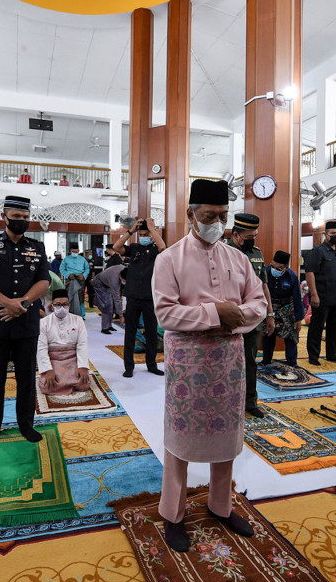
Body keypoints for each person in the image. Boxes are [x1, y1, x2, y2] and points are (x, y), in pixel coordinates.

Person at [152, 179, 267, 552]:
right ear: (190, 215)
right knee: (180, 440)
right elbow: (166, 313)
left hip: (228, 363)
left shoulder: (239, 258)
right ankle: (173, 513)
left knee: (226, 437)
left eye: (222, 215)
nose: (217, 222)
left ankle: (221, 506)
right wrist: (216, 313)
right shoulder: (168, 259)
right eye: (208, 215)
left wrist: (236, 316)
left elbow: (258, 305)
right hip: (189, 365)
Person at [0, 195, 51, 447]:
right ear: (4, 217)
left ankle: (26, 424)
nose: (22, 221)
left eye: (26, 218)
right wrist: (6, 302)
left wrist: (23, 304)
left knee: (26, 378)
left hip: (26, 323)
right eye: (17, 217)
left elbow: (44, 281)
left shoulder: (36, 247)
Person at [226, 213, 275, 417]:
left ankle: (250, 402)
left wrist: (270, 313)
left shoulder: (256, 253)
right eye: (248, 237)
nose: (252, 240)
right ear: (236, 235)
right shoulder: (223, 252)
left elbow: (264, 285)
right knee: (226, 362)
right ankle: (227, 402)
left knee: (250, 361)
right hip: (230, 318)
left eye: (255, 235)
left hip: (253, 319)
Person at [114, 216, 166, 377]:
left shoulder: (156, 249)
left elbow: (164, 248)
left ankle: (151, 365)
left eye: (146, 234)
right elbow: (117, 246)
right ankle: (128, 367)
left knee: (151, 333)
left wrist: (152, 229)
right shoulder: (134, 248)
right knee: (129, 332)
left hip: (150, 297)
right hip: (133, 296)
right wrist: (131, 231)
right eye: (141, 234)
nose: (143, 237)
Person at [304, 221, 336, 364]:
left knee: (334, 328)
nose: (335, 236)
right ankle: (313, 357)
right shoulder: (318, 251)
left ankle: (332, 355)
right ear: (325, 234)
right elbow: (310, 273)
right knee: (317, 327)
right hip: (322, 297)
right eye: (333, 234)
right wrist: (314, 294)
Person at [37, 289, 92, 396]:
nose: (61, 308)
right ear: (52, 306)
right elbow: (41, 348)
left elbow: (82, 345)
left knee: (84, 384)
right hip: (54, 360)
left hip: (72, 360)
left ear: (69, 305)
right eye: (58, 305)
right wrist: (48, 370)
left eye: (64, 304)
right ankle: (67, 384)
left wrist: (83, 366)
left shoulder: (78, 320)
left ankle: (67, 383)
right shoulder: (43, 323)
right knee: (46, 385)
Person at [262, 251, 304, 367]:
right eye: (273, 266)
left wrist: (298, 318)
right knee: (268, 333)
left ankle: (292, 362)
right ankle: (266, 360)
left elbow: (297, 297)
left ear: (286, 267)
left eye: (279, 268)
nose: (275, 269)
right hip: (270, 306)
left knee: (291, 335)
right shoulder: (265, 271)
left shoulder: (292, 276)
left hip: (287, 307)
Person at [59, 242, 90, 317]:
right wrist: (68, 275)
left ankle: (81, 315)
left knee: (81, 297)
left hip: (80, 278)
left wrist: (84, 275)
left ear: (78, 251)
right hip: (70, 279)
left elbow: (87, 268)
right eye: (73, 252)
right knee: (69, 296)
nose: (75, 253)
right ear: (70, 251)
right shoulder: (66, 259)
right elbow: (61, 269)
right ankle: (68, 313)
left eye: (76, 252)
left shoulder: (82, 259)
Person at [93, 264, 126, 333]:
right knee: (107, 304)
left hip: (107, 281)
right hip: (100, 282)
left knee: (111, 304)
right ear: (120, 276)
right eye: (124, 280)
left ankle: (109, 325)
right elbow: (117, 298)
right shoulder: (115, 280)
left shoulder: (126, 270)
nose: (124, 282)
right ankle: (104, 328)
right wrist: (121, 315)